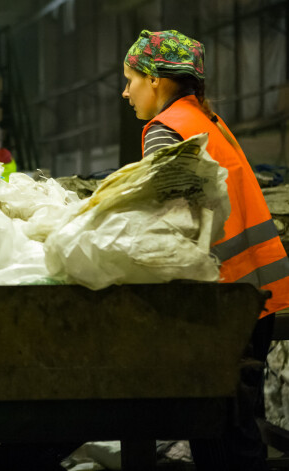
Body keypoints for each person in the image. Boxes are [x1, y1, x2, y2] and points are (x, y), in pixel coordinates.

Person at [122, 29, 289, 470]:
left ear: (155, 79)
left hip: (223, 302)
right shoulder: (207, 120)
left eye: (130, 80)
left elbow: (168, 226)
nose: (126, 92)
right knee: (240, 433)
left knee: (218, 439)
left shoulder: (166, 130)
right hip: (257, 296)